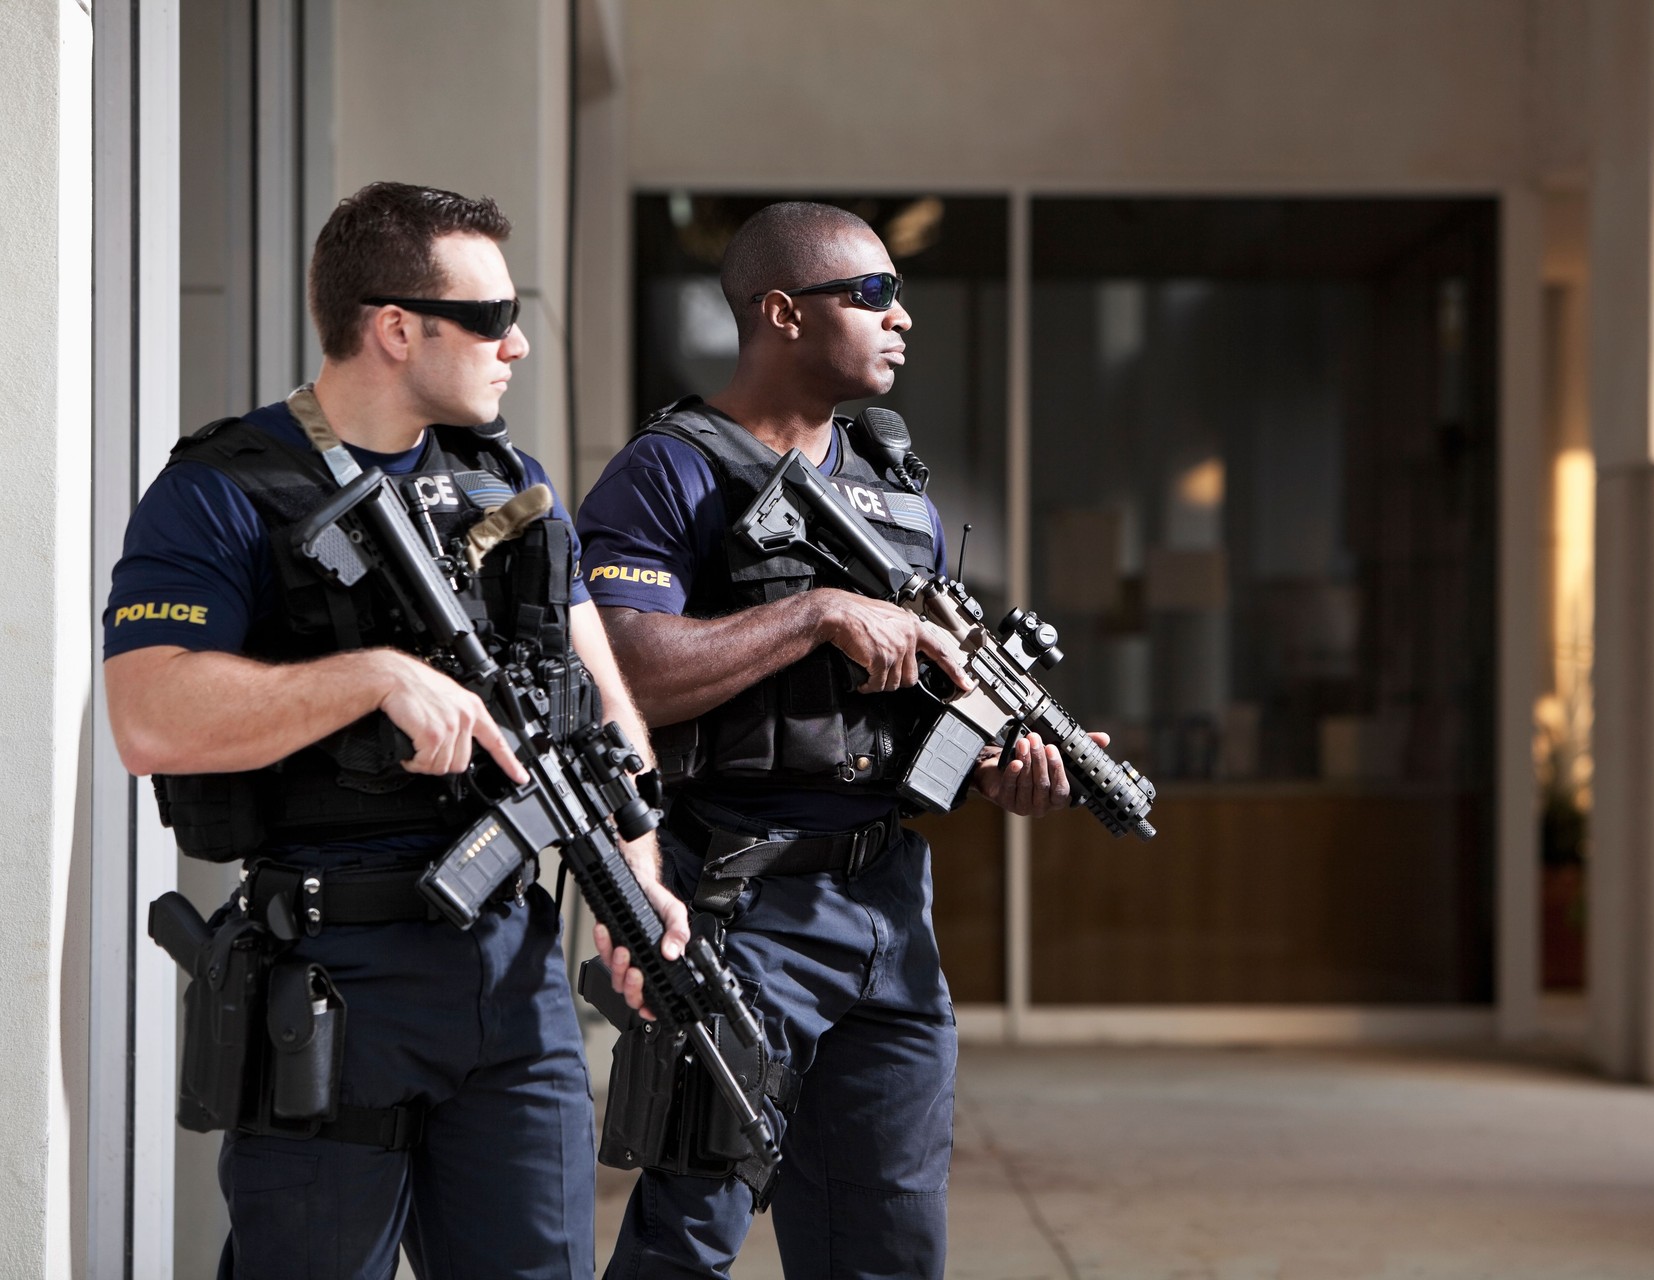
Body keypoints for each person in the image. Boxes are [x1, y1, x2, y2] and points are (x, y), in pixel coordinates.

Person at [102, 181, 688, 1280]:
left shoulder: (511, 484)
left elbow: (606, 707)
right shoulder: (225, 489)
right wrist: (370, 676)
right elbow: (148, 715)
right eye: (489, 318)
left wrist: (635, 877)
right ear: (396, 327)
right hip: (328, 972)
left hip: (511, 977)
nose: (514, 344)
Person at [579, 201, 1098, 1280]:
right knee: (689, 1235)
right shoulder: (670, 472)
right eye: (871, 294)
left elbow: (902, 698)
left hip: (887, 905)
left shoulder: (893, 481)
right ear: (781, 312)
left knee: (890, 1244)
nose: (901, 316)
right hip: (735, 902)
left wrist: (1003, 759)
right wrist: (812, 610)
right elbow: (618, 673)